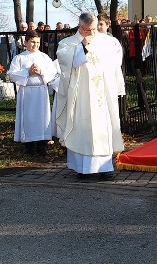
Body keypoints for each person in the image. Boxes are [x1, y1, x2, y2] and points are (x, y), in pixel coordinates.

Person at [55, 12, 126, 181]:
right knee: (83, 129)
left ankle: (105, 167)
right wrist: (82, 47)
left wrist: (117, 86)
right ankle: (83, 168)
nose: (93, 33)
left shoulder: (109, 41)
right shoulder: (68, 43)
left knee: (103, 128)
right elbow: (64, 62)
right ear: (81, 27)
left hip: (103, 93)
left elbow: (116, 65)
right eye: (89, 30)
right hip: (81, 96)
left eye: (95, 29)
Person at [7, 31, 57, 155]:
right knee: (28, 118)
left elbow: (53, 72)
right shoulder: (19, 58)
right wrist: (27, 72)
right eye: (33, 42)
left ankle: (41, 145)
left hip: (41, 91)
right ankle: (29, 145)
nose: (36, 45)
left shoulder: (44, 57)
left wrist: (41, 71)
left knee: (42, 118)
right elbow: (12, 74)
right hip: (27, 92)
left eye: (38, 42)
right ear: (26, 43)